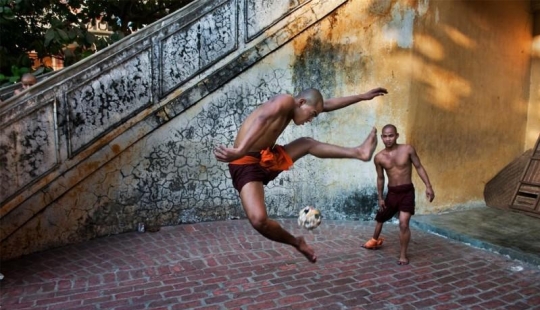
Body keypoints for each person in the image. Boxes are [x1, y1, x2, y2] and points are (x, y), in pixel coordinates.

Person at [214, 87, 388, 263]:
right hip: (244, 161)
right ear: (302, 102)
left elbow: (326, 104)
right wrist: (240, 150)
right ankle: (297, 242)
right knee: (259, 220)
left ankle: (360, 152)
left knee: (307, 143)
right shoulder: (285, 100)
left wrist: (362, 96)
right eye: (312, 114)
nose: (311, 120)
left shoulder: (297, 106)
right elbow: (262, 119)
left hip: (267, 157)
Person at [361, 124, 434, 265]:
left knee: (403, 223)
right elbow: (380, 178)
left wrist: (428, 186)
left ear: (397, 135)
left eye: (391, 135)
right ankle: (374, 240)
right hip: (392, 193)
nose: (388, 139)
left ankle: (403, 255)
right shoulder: (379, 158)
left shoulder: (407, 150)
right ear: (382, 137)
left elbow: (419, 166)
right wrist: (380, 197)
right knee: (381, 217)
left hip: (407, 191)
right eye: (385, 136)